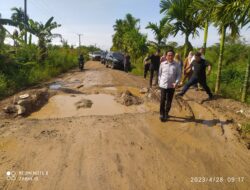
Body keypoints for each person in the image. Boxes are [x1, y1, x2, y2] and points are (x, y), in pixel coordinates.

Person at [158, 50, 182, 122]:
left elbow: (179, 75)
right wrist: (159, 82)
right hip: (163, 85)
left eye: (171, 55)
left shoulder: (177, 65)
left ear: (173, 56)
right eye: (169, 55)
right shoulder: (162, 64)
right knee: (162, 100)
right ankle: (161, 114)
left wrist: (176, 82)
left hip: (172, 86)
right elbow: (159, 74)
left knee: (169, 101)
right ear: (166, 56)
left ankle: (166, 113)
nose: (170, 57)